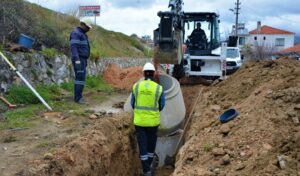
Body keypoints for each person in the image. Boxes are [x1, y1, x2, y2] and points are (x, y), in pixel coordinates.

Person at [131, 63, 166, 176]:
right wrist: (154, 111)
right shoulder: (159, 88)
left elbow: (133, 103)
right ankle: (149, 167)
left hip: (139, 122)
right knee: (151, 145)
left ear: (144, 74)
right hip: (153, 122)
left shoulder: (136, 86)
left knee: (142, 145)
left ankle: (146, 170)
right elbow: (162, 105)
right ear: (153, 73)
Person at [69, 20, 92, 104]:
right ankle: (78, 98)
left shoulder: (83, 34)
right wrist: (77, 60)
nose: (89, 29)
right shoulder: (76, 33)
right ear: (82, 24)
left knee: (81, 78)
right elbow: (74, 47)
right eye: (87, 27)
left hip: (83, 59)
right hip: (79, 59)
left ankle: (79, 97)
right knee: (79, 78)